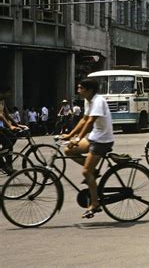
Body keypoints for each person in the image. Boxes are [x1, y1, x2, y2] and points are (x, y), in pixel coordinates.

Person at [61, 78, 114, 219]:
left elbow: (90, 122)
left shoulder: (98, 101)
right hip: (94, 137)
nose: (78, 91)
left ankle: (95, 204)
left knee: (85, 172)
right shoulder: (88, 100)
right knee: (68, 150)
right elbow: (84, 119)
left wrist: (77, 139)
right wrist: (70, 135)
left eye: (80, 88)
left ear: (89, 90)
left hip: (103, 140)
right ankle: (94, 171)